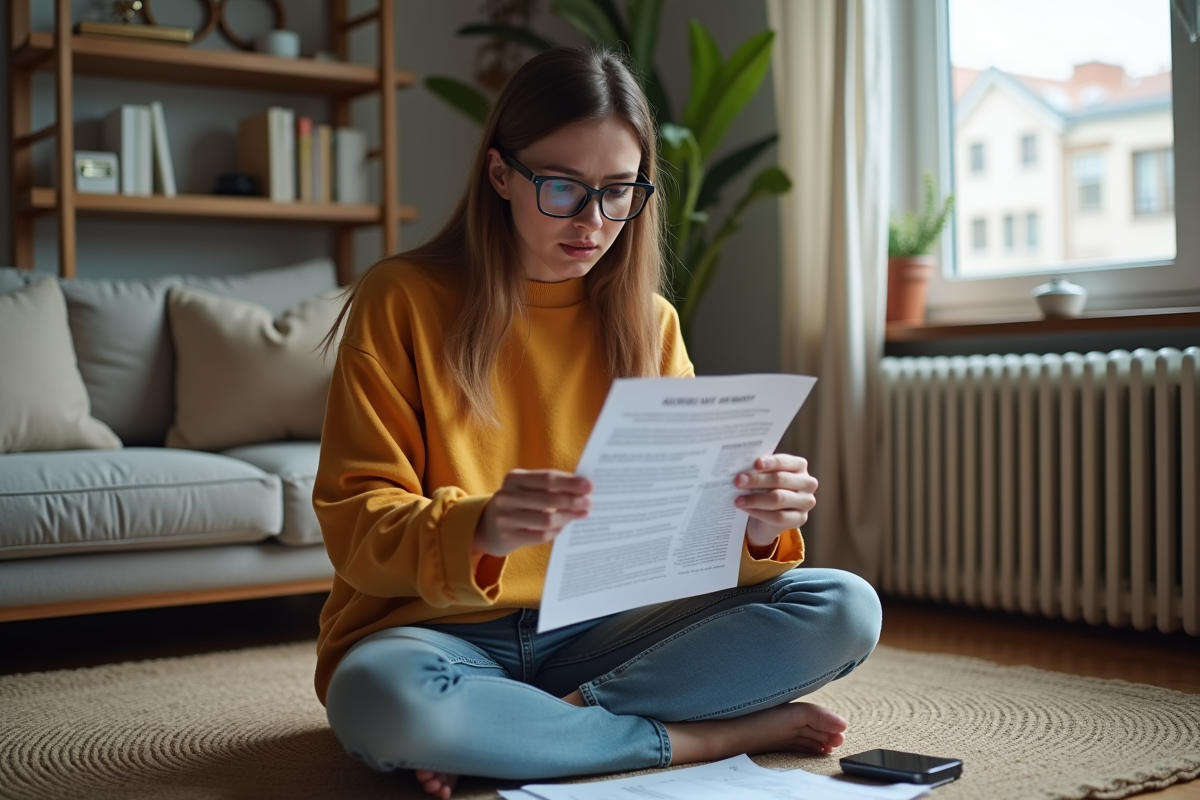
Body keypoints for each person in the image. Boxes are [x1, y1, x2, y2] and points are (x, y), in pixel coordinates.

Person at [313, 46, 882, 800]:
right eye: (563, 188)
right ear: (501, 176)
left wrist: (751, 525)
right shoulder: (402, 299)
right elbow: (356, 527)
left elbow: (683, 547)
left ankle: (549, 726)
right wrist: (479, 528)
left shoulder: (651, 323)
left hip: (602, 636)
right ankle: (706, 737)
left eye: (619, 192)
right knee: (382, 703)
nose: (594, 221)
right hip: (436, 633)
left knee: (843, 607)